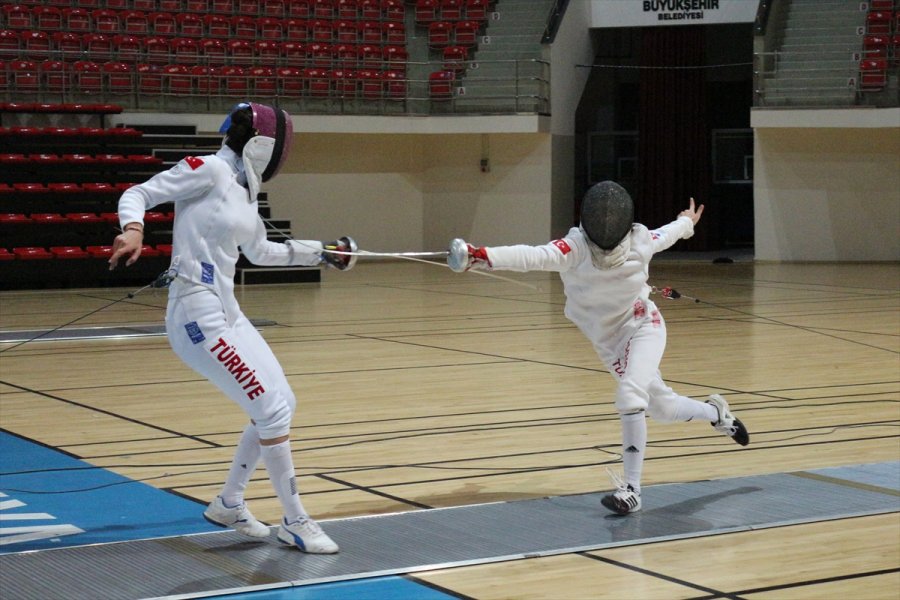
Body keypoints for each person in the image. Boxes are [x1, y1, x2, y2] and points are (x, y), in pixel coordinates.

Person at [109, 102, 355, 552]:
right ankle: (295, 520)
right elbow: (138, 193)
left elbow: (261, 252)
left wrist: (323, 252)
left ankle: (229, 502)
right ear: (262, 145)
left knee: (282, 403)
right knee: (271, 411)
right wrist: (134, 229)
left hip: (228, 312)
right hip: (195, 316)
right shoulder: (209, 169)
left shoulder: (245, 190)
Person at [448, 181, 749, 515]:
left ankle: (631, 490)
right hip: (609, 343)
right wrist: (479, 256)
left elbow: (669, 233)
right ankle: (717, 413)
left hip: (643, 327)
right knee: (662, 409)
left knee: (630, 396)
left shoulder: (640, 241)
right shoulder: (574, 248)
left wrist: (686, 223)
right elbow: (530, 255)